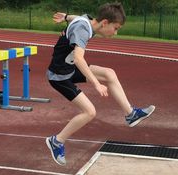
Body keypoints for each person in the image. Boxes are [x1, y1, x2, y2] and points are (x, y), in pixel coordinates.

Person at [45, 2, 155, 165]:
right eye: (116, 28)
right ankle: (57, 141)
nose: (116, 33)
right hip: (59, 76)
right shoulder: (82, 30)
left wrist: (66, 17)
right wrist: (96, 83)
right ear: (105, 23)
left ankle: (130, 114)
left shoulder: (88, 22)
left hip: (70, 68)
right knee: (89, 112)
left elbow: (77, 18)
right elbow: (79, 58)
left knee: (109, 74)